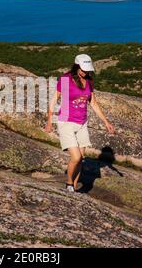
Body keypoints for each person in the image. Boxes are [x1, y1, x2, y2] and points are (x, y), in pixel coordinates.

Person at [45, 54, 115, 192]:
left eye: (88, 70)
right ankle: (69, 183)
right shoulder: (65, 79)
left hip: (82, 122)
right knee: (76, 157)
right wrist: (49, 119)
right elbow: (54, 99)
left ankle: (74, 187)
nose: (86, 72)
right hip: (66, 121)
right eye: (83, 70)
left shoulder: (89, 80)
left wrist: (106, 121)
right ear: (76, 66)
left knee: (81, 158)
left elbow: (93, 103)